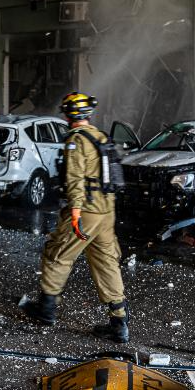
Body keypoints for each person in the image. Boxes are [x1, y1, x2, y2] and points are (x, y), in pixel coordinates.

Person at [20, 92, 129, 343]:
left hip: (86, 212)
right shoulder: (101, 137)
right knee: (106, 262)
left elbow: (75, 178)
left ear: (69, 115)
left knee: (57, 254)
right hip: (106, 213)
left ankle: (46, 310)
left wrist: (76, 212)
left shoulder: (76, 140)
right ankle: (119, 322)